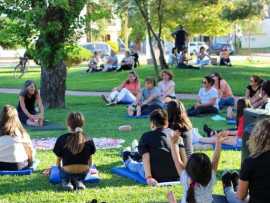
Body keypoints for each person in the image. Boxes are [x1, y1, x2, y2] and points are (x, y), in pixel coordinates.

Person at [122, 109, 181, 185]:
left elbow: (146, 157)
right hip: (175, 174)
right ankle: (134, 149)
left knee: (136, 165)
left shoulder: (146, 136)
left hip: (155, 175)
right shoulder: (173, 134)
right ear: (166, 123)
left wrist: (149, 177)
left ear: (152, 123)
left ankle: (127, 156)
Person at [167, 130, 227, 203]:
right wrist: (218, 143)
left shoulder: (186, 178)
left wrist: (174, 144)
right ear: (208, 169)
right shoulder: (211, 177)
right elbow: (215, 160)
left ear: (189, 168)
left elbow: (177, 159)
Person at [222, 118, 270, 203]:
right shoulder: (251, 161)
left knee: (236, 196)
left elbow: (240, 196)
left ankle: (228, 187)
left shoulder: (251, 162)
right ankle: (237, 185)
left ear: (257, 137)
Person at [53, 112, 96, 191]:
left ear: (68, 124)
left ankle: (66, 183)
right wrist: (88, 169)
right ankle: (79, 182)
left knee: (64, 174)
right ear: (82, 124)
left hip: (67, 171)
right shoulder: (88, 138)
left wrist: (60, 169)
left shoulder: (62, 138)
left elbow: (58, 162)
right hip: (83, 171)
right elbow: (90, 160)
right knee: (80, 176)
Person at [0, 105, 34, 171]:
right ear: (16, 118)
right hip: (18, 165)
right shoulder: (23, 134)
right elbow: (30, 152)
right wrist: (30, 162)